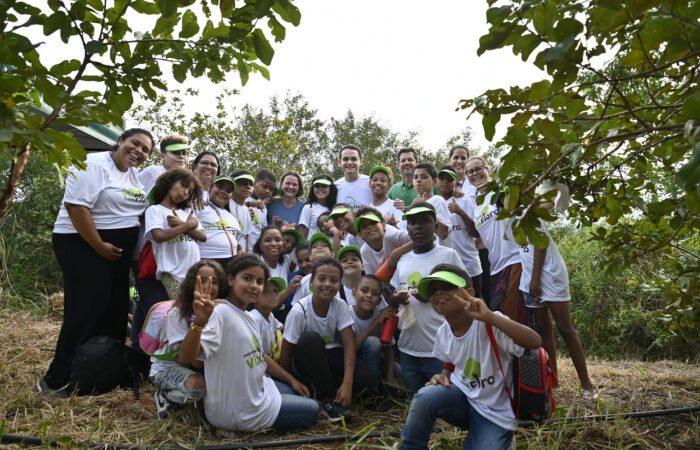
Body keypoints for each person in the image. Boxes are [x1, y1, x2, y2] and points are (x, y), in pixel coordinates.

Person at [40, 128, 154, 396]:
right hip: (82, 245)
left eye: (145, 150)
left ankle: (101, 373)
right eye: (135, 144)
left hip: (115, 254)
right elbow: (76, 207)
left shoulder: (134, 176)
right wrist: (99, 246)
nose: (138, 151)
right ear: (121, 141)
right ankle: (58, 379)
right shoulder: (94, 164)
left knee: (114, 311)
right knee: (86, 312)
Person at [400, 264, 542, 450]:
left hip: (495, 414)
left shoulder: (489, 323)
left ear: (469, 292)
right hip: (464, 400)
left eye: (447, 286)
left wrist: (490, 316)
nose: (438, 293)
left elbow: (535, 341)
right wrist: (443, 374)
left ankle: (502, 440)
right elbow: (451, 360)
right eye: (433, 290)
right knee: (426, 396)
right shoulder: (443, 333)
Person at [177, 254, 319, 434]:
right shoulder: (220, 313)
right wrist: (199, 322)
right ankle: (233, 429)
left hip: (259, 389)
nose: (254, 286)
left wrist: (292, 380)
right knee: (313, 410)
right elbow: (186, 357)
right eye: (247, 278)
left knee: (296, 391)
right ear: (230, 279)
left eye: (260, 281)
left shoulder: (248, 315)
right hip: (238, 411)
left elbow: (260, 357)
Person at [280, 257, 374, 422]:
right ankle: (327, 400)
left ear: (339, 284)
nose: (327, 284)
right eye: (321, 279)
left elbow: (349, 343)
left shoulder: (340, 305)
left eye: (334, 280)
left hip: (327, 358)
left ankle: (335, 391)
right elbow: (286, 353)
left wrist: (347, 383)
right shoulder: (299, 311)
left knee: (366, 376)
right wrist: (290, 383)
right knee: (311, 339)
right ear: (311, 283)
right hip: (305, 362)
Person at [389, 202, 466, 397]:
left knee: (442, 406)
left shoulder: (448, 255)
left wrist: (430, 296)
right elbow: (394, 293)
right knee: (413, 403)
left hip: (439, 351)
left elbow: (466, 293)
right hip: (408, 349)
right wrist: (397, 298)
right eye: (412, 223)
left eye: (424, 221)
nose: (417, 227)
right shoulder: (403, 260)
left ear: (435, 225)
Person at [519, 214, 596, 398]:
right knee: (543, 330)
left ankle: (587, 385)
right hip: (528, 278)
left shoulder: (530, 213)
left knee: (565, 328)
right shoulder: (508, 218)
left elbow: (541, 243)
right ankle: (553, 382)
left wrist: (535, 278)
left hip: (550, 276)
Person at [131, 135, 190, 351]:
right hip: (146, 251)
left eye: (185, 152)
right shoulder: (153, 173)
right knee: (153, 305)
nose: (182, 156)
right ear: (163, 155)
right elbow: (136, 203)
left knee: (149, 305)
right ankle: (143, 353)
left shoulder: (183, 182)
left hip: (169, 255)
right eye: (176, 152)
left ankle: (141, 349)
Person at [151, 260, 225, 419]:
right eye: (201, 280)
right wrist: (202, 320)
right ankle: (165, 397)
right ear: (191, 284)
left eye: (215, 282)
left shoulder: (222, 310)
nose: (207, 286)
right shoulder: (177, 314)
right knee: (197, 387)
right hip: (168, 368)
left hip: (202, 367)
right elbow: (193, 361)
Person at [466, 157, 528, 325]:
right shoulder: (477, 203)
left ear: (488, 170)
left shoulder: (500, 191)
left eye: (478, 169)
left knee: (516, 318)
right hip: (495, 266)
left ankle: (532, 351)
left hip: (515, 260)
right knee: (505, 316)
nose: (475, 174)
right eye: (470, 172)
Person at [145, 168, 206, 299]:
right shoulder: (155, 210)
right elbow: (159, 236)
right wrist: (187, 225)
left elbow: (203, 237)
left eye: (189, 192)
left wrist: (182, 224)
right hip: (171, 273)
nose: (185, 193)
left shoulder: (187, 212)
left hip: (192, 274)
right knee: (180, 310)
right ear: (170, 182)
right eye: (184, 186)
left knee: (192, 312)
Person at [449, 145, 491, 302]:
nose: (459, 161)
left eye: (463, 158)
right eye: (456, 157)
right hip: (462, 249)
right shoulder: (446, 185)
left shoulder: (474, 184)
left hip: (482, 247)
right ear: (449, 160)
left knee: (486, 293)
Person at [438, 166, 483, 297]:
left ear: (456, 183)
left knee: (475, 302)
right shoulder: (434, 202)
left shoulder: (464, 200)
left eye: (449, 179)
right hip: (446, 266)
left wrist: (460, 212)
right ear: (436, 181)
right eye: (442, 179)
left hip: (469, 264)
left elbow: (475, 233)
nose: (445, 182)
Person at [349, 274, 398, 395]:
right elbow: (354, 347)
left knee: (400, 374)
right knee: (373, 342)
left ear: (379, 301)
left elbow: (389, 349)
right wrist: (376, 322)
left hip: (377, 361)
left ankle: (386, 386)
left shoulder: (382, 315)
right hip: (353, 362)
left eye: (375, 294)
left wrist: (390, 375)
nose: (369, 296)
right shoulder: (346, 313)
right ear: (354, 293)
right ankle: (372, 393)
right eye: (364, 290)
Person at [196, 176, 242, 268]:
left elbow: (239, 245)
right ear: (210, 188)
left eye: (228, 190)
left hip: (231, 264)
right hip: (205, 262)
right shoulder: (198, 206)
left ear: (231, 195)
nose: (223, 191)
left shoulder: (232, 217)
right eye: (220, 187)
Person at [355, 206, 411, 276]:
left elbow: (419, 238)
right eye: (364, 226)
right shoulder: (364, 251)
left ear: (383, 224)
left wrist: (396, 254)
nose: (369, 227)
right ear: (360, 234)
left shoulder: (392, 235)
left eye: (373, 222)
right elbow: (372, 278)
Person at [253, 226, 298, 301]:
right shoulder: (254, 265)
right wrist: (288, 291)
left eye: (277, 240)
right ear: (260, 245)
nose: (273, 243)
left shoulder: (286, 260)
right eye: (268, 240)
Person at [412, 163, 451, 244]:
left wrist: (423, 208)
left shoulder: (438, 200)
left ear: (434, 181)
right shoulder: (414, 204)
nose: (418, 180)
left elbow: (443, 234)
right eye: (415, 177)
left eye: (424, 177)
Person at [250, 276, 287, 360]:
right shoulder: (254, 318)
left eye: (275, 291)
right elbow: (260, 356)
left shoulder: (270, 315)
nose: (274, 294)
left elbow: (281, 327)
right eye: (265, 291)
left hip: (273, 359)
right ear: (254, 297)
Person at [334, 144, 373, 210]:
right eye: (345, 159)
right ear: (339, 162)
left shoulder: (371, 182)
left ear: (361, 162)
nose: (349, 162)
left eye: (353, 159)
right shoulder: (334, 187)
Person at [247, 169, 277, 249]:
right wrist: (253, 204)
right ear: (254, 183)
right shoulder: (242, 198)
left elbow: (263, 232)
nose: (267, 191)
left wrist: (274, 225)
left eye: (271, 189)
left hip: (256, 254)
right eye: (264, 186)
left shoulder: (264, 209)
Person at [229, 170, 255, 252]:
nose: (248, 186)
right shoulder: (226, 205)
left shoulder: (248, 211)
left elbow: (246, 237)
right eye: (244, 183)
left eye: (251, 184)